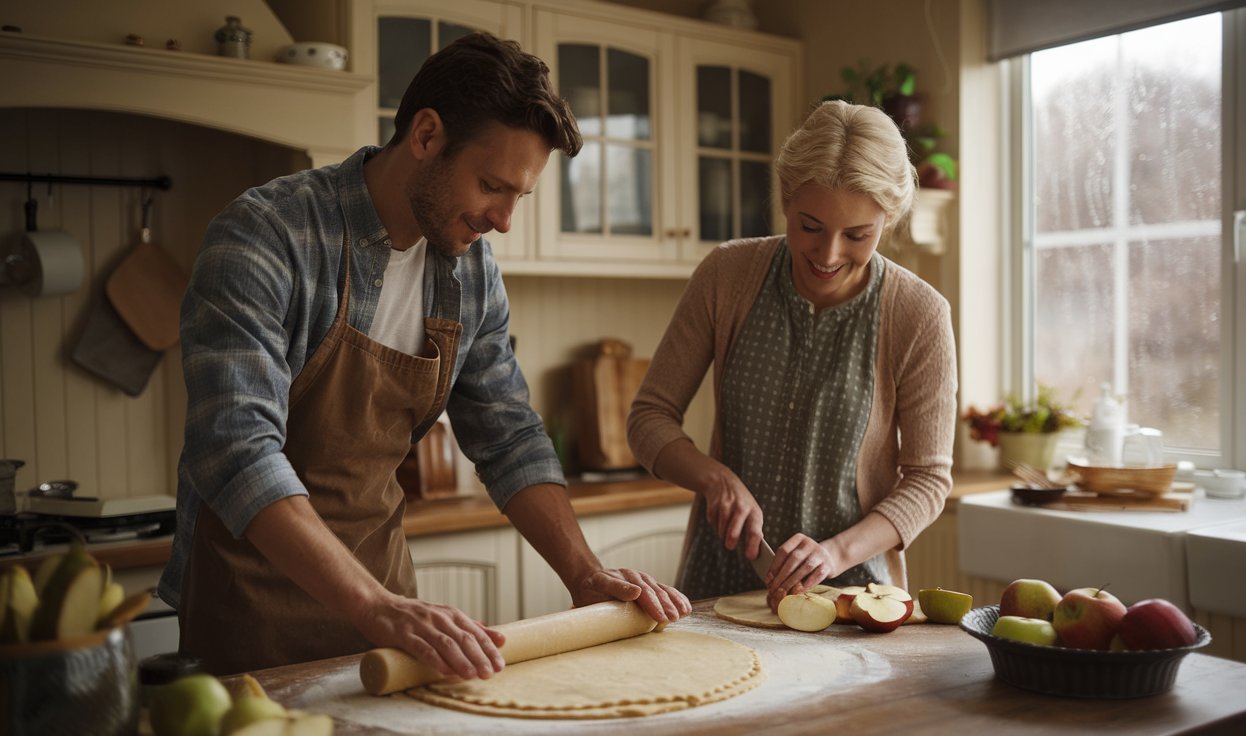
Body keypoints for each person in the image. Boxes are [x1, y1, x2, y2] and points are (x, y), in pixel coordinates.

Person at [160, 32, 689, 678]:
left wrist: (586, 574)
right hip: (248, 632)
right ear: (426, 135)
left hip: (388, 634)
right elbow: (237, 450)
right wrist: (373, 605)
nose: (503, 220)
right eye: (493, 185)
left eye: (519, 196)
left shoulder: (470, 274)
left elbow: (510, 437)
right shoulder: (265, 236)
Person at [627, 100, 957, 610]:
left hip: (853, 598)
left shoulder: (918, 314)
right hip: (721, 587)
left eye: (857, 235)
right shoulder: (727, 276)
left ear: (887, 221)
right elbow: (649, 418)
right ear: (785, 199)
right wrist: (713, 478)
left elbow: (928, 481)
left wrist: (834, 552)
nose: (827, 255)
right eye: (809, 226)